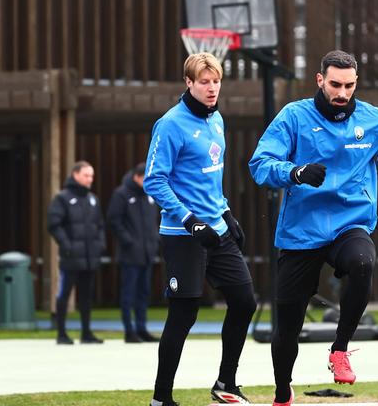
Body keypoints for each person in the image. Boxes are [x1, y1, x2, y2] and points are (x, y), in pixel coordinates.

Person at [249, 50, 378, 405]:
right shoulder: (293, 117)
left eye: (349, 85)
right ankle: (282, 393)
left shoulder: (375, 122)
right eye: (335, 84)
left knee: (363, 262)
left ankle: (340, 350)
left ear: (357, 83)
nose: (342, 93)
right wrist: (295, 172)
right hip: (301, 232)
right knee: (287, 328)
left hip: (349, 224)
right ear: (320, 80)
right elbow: (260, 165)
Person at [144, 53, 256, 406]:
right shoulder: (170, 124)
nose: (211, 88)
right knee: (184, 313)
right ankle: (161, 399)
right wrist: (189, 220)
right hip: (184, 236)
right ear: (188, 83)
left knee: (244, 302)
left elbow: (210, 177)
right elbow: (155, 181)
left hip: (218, 231)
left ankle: (226, 383)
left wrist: (226, 212)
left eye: (216, 81)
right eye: (204, 82)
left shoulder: (217, 119)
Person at [47, 160, 106, 345]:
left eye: (92, 176)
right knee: (64, 294)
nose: (90, 179)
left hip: (90, 257)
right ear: (76, 175)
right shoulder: (62, 198)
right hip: (70, 257)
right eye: (86, 175)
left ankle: (86, 333)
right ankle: (62, 333)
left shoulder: (93, 199)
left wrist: (100, 245)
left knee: (87, 296)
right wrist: (66, 245)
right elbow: (53, 224)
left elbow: (100, 225)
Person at [107, 162, 160, 343]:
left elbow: (153, 222)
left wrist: (154, 241)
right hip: (130, 254)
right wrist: (129, 241)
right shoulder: (121, 194)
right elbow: (114, 221)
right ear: (138, 177)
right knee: (128, 293)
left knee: (144, 293)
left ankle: (141, 328)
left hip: (147, 254)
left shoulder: (149, 196)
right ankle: (129, 331)